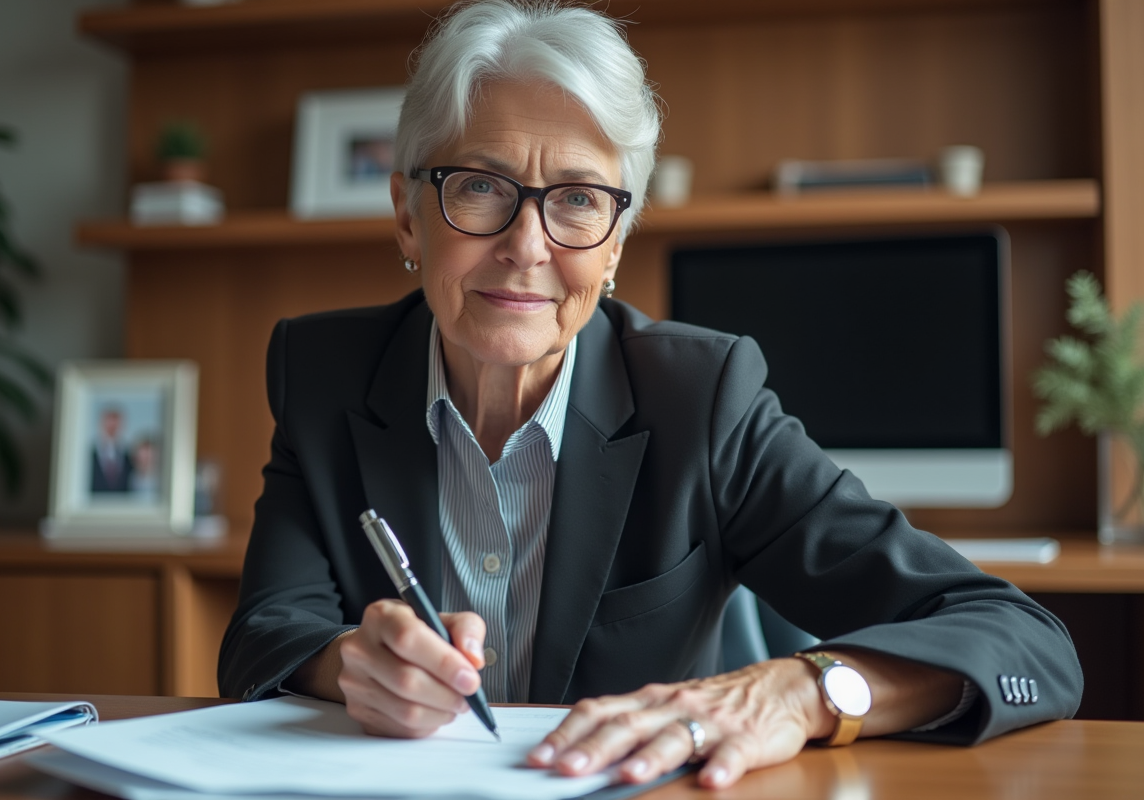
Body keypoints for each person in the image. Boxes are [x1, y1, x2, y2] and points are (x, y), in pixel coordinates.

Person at [219, 0, 1081, 790]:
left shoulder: (701, 399)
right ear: (408, 212)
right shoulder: (322, 370)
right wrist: (346, 663)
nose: (528, 245)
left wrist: (803, 689)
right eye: (480, 186)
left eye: (579, 200)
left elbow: (1022, 639)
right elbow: (266, 632)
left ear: (617, 243)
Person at [90, 406, 133, 494]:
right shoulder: (89, 453)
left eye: (116, 425)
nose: (113, 428)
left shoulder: (130, 456)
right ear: (101, 424)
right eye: (109, 424)